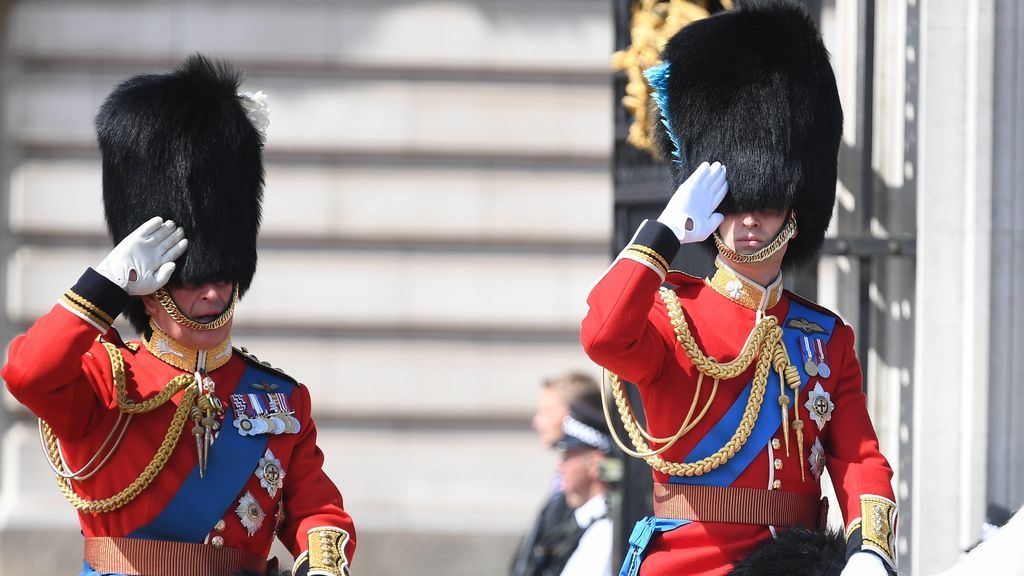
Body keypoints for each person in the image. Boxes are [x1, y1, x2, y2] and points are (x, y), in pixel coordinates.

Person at [2, 55, 355, 576]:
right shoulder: (105, 380)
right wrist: (105, 285)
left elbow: (319, 512)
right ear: (151, 289)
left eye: (223, 274)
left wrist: (323, 562)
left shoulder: (280, 399)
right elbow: (28, 372)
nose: (212, 292)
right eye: (193, 278)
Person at [581, 2, 897, 576]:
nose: (748, 220)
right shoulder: (671, 312)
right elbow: (602, 335)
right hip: (689, 562)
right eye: (732, 204)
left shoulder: (825, 339)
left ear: (793, 212)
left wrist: (871, 548)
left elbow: (858, 458)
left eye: (767, 204)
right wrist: (666, 233)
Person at [512, 372, 602, 576]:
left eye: (547, 411)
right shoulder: (563, 483)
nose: (537, 422)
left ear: (572, 414)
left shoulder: (586, 491)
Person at [535, 403, 615, 576]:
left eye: (567, 457)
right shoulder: (579, 521)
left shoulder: (603, 531)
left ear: (595, 463)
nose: (559, 466)